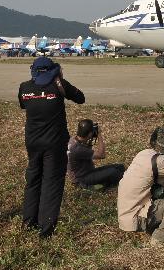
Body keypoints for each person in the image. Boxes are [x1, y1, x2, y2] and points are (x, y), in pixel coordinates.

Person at [18, 57, 85, 237]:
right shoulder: (58, 84)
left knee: (33, 179)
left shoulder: (24, 87)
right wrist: (60, 79)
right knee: (52, 182)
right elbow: (80, 98)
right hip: (54, 143)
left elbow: (24, 104)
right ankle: (46, 227)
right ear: (54, 70)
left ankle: (28, 221)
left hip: (32, 142)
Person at [117, 127, 164, 246]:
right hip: (136, 219)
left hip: (126, 216)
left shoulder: (144, 153)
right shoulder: (161, 162)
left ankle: (157, 225)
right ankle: (159, 238)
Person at [68, 119, 125, 189]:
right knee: (114, 172)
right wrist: (99, 134)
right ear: (89, 134)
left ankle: (105, 183)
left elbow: (87, 151)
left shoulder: (73, 139)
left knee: (120, 167)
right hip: (82, 178)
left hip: (87, 172)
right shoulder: (78, 149)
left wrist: (90, 139)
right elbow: (102, 155)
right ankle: (97, 186)